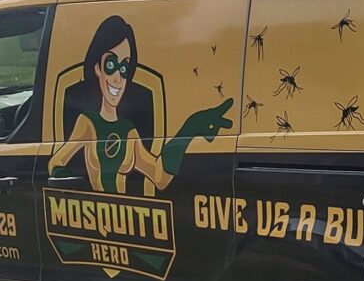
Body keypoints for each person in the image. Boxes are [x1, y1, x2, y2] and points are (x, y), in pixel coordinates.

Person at [49, 15, 233, 194]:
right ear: (97, 68)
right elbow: (57, 161)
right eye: (111, 64)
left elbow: (159, 177)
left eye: (123, 69)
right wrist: (64, 181)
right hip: (96, 218)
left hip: (125, 219)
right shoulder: (88, 122)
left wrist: (188, 130)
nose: (117, 78)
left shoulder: (129, 132)